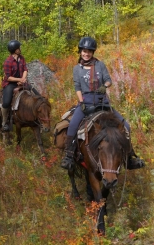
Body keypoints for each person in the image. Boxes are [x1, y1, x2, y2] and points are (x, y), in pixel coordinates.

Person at [60, 37, 145, 170]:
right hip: (86, 102)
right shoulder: (77, 68)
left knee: (126, 126)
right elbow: (77, 87)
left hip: (102, 102)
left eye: (89, 51)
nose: (86, 54)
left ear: (93, 52)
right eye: (84, 51)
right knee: (73, 125)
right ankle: (69, 155)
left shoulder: (100, 65)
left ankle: (129, 157)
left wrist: (105, 86)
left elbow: (108, 80)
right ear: (80, 51)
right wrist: (81, 102)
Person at [0, 40, 39, 132]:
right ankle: (4, 123)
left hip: (22, 82)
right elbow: (8, 77)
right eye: (19, 48)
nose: (20, 49)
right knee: (6, 103)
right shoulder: (8, 61)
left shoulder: (21, 58)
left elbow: (25, 69)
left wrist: (23, 79)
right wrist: (19, 80)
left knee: (38, 96)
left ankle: (38, 117)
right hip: (10, 84)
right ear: (15, 50)